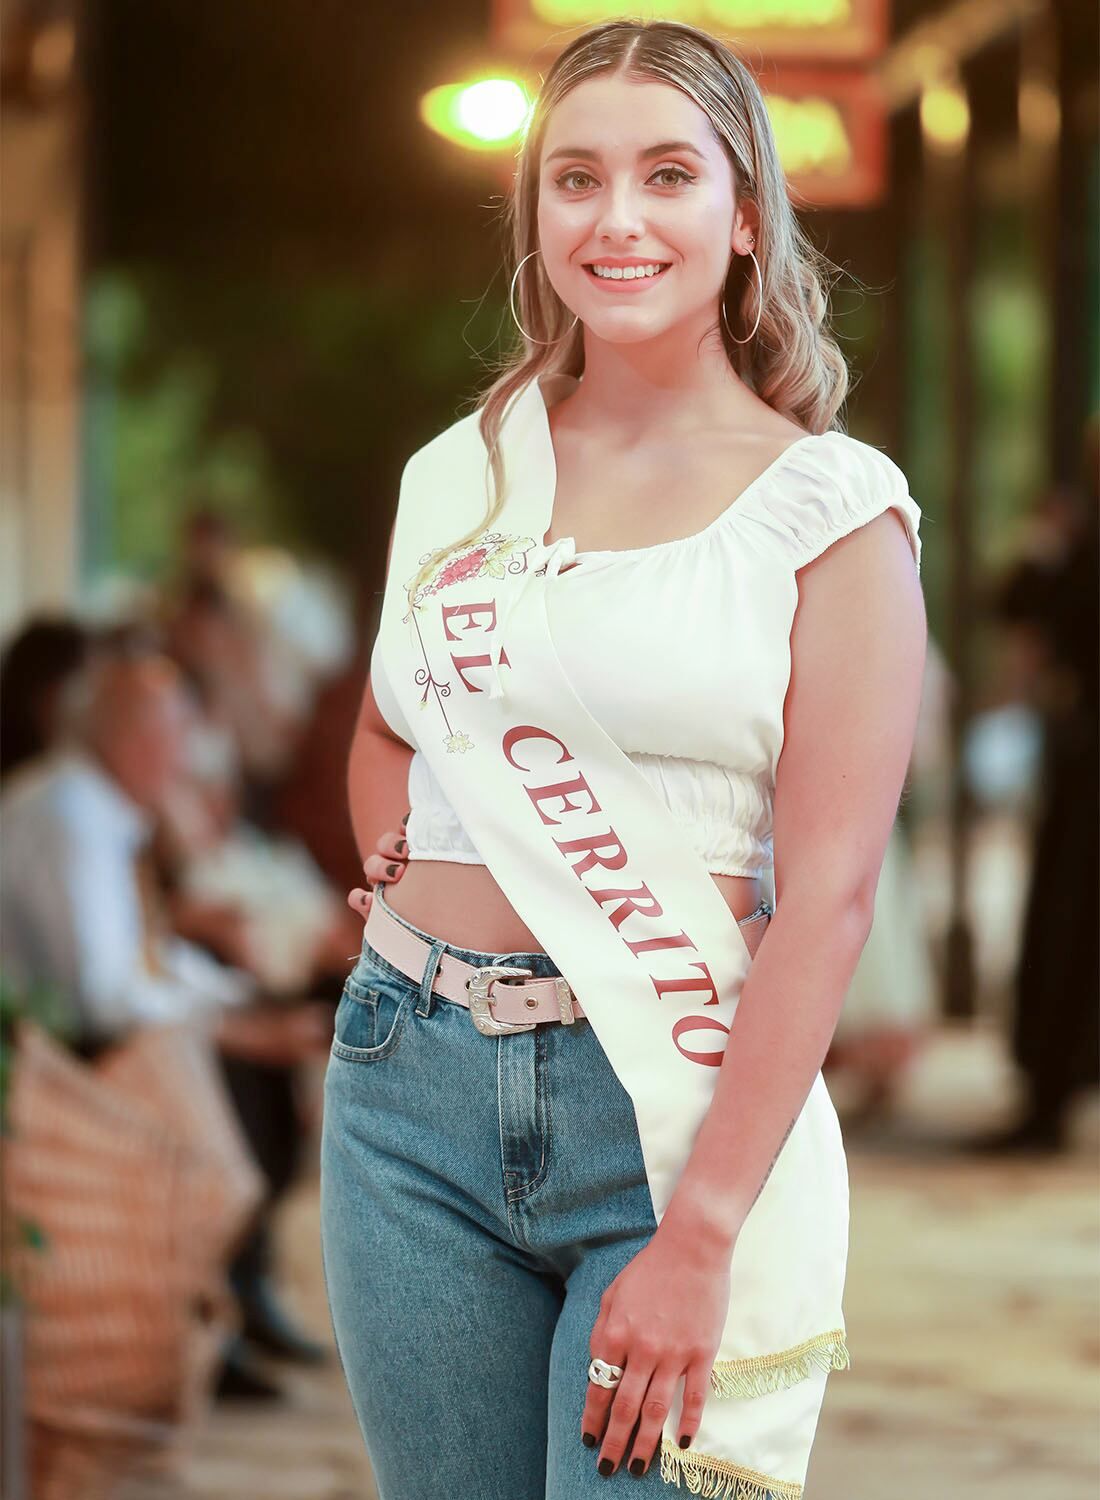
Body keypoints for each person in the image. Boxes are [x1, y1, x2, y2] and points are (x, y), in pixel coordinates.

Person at [320, 19, 926, 1500]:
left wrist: (707, 1230)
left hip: (659, 1109)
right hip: (405, 1089)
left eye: (668, 175)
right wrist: (404, 870)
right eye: (575, 179)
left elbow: (832, 898)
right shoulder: (463, 467)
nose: (618, 218)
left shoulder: (831, 510)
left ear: (743, 214)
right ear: (536, 214)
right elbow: (390, 720)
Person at [0, 648, 334, 1395]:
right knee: (246, 1061)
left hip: (73, 1036)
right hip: (49, 1060)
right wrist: (238, 1027)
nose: (187, 758)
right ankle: (214, 1307)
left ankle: (235, 1292)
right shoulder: (72, 822)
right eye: (177, 734)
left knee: (265, 1026)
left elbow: (145, 961)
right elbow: (105, 997)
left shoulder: (93, 808)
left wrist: (233, 1002)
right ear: (133, 739)